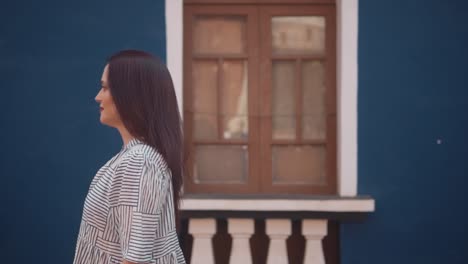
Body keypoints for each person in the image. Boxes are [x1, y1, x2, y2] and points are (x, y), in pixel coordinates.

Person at [73, 50, 186, 264]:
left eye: (105, 88)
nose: (98, 96)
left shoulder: (140, 160)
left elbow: (135, 260)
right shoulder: (135, 157)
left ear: (130, 95)